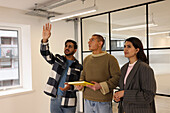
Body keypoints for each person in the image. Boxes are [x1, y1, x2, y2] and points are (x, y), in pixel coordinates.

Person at [40, 23, 83, 113]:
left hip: (69, 100)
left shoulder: (79, 67)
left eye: (70, 47)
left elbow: (79, 85)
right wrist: (45, 39)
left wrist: (70, 87)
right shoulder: (58, 59)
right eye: (66, 46)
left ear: (75, 50)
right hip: (55, 98)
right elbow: (46, 55)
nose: (67, 48)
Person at [76, 34, 121, 113]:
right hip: (87, 100)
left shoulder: (110, 59)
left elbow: (117, 78)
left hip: (103, 101)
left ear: (100, 43)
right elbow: (83, 75)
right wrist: (80, 84)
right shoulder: (87, 59)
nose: (89, 42)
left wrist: (100, 86)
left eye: (92, 40)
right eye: (89, 40)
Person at [113, 37, 156, 113]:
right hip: (124, 109)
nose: (125, 49)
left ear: (137, 50)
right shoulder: (124, 68)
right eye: (125, 46)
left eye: (129, 46)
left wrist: (124, 94)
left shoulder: (144, 68)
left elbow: (148, 96)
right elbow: (123, 88)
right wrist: (118, 97)